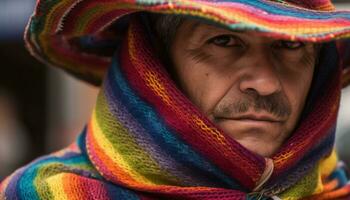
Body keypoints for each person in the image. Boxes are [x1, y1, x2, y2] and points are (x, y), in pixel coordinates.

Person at [1, 0, 350, 199]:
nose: (266, 83)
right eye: (224, 42)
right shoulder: (48, 195)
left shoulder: (334, 189)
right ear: (154, 66)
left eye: (290, 46)